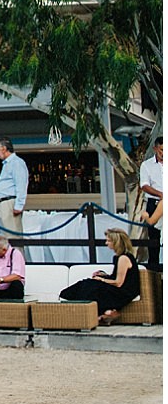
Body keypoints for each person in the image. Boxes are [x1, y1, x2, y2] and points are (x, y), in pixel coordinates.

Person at [60, 228, 141, 324]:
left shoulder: (124, 258)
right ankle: (104, 312)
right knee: (87, 283)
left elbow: (118, 283)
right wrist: (103, 275)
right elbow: (116, 277)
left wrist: (101, 280)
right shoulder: (118, 257)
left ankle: (99, 312)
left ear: (116, 242)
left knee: (91, 286)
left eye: (109, 241)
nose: (106, 243)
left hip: (124, 293)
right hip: (119, 289)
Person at [0, 139, 29, 245]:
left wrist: (19, 205)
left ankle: (17, 255)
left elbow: (21, 184)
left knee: (13, 236)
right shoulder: (8, 163)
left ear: (4, 149)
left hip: (10, 202)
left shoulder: (16, 163)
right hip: (5, 203)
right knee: (9, 236)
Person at [140, 137, 163, 272]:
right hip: (154, 202)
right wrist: (160, 194)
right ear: (155, 149)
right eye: (161, 150)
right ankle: (154, 270)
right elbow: (144, 185)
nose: (163, 153)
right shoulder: (147, 165)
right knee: (154, 238)